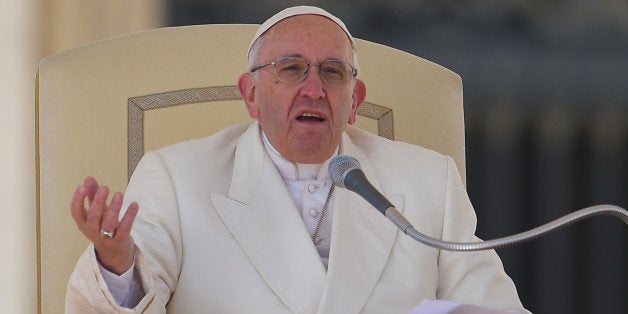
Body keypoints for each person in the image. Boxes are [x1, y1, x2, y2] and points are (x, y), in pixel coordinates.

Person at [66, 6, 528, 313]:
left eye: (332, 72)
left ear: (354, 101)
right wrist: (117, 261)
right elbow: (125, 297)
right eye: (290, 69)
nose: (314, 89)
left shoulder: (429, 181)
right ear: (250, 94)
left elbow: (492, 306)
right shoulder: (177, 176)